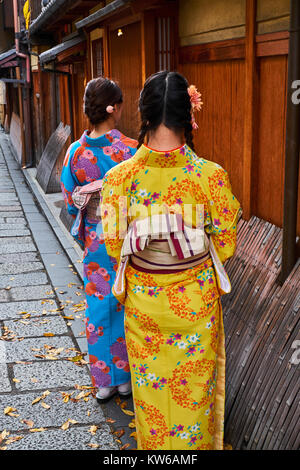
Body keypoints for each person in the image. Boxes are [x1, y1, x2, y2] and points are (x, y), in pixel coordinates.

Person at [100, 71, 241, 450]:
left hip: (144, 309)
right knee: (193, 405)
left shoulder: (119, 180)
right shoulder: (210, 177)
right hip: (195, 307)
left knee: (152, 406)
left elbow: (115, 248)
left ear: (143, 114)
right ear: (189, 116)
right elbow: (225, 246)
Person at [60, 77, 138, 402]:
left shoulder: (75, 153)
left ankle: (104, 382)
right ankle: (126, 379)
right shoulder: (132, 149)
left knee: (97, 306)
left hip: (95, 236)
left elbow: (68, 198)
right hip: (128, 238)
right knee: (127, 302)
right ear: (114, 108)